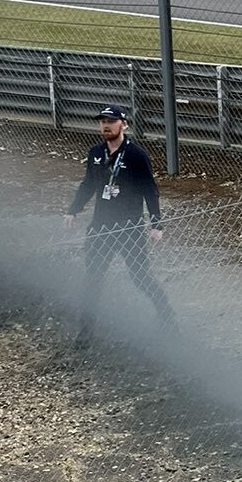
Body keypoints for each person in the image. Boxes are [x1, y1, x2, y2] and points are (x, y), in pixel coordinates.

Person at [65, 105, 178, 347]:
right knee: (93, 278)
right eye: (102, 121)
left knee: (140, 277)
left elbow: (150, 189)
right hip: (100, 228)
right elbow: (89, 184)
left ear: (123, 125)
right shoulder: (96, 153)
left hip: (129, 228)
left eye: (111, 121)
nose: (106, 125)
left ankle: (167, 315)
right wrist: (73, 210)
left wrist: (156, 223)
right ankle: (85, 332)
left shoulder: (136, 155)